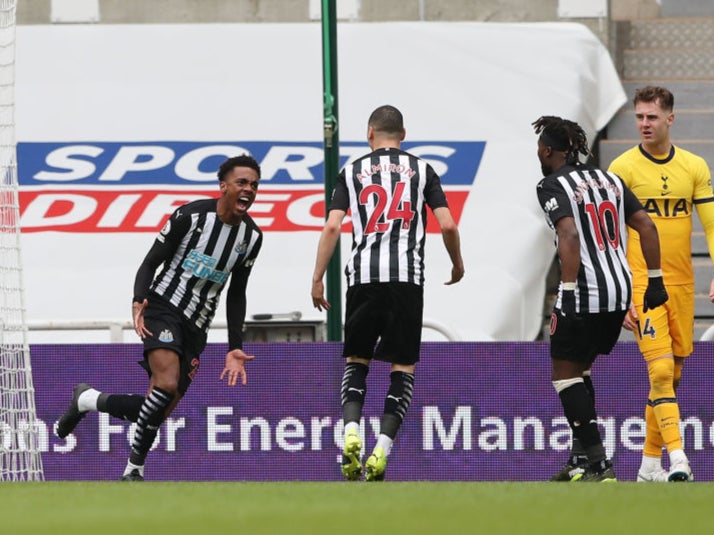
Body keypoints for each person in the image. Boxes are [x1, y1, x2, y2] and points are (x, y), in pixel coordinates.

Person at [55, 154, 264, 481]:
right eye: (242, 183)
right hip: (164, 306)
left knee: (159, 406)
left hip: (198, 325)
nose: (248, 190)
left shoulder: (251, 238)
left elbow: (237, 292)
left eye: (254, 185)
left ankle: (89, 400)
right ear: (223, 186)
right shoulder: (190, 217)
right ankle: (134, 470)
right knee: (165, 385)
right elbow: (151, 261)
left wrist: (234, 346)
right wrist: (139, 299)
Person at [311, 105, 465, 482]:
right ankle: (381, 449)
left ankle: (350, 432)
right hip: (406, 280)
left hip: (363, 277)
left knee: (356, 361)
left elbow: (332, 227)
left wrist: (317, 277)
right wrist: (457, 263)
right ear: (403, 134)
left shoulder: (351, 171)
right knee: (402, 367)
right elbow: (446, 224)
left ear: (369, 134)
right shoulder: (423, 170)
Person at [533, 115, 668, 482]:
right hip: (620, 289)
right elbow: (647, 226)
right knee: (581, 368)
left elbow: (570, 234)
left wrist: (571, 292)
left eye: (540, 150)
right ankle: (579, 460)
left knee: (564, 374)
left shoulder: (551, 184)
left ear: (547, 150)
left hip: (586, 290)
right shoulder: (612, 179)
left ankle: (599, 464)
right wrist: (654, 281)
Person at [608, 86, 714, 483]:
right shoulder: (622, 168)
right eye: (639, 117)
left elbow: (710, 223)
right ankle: (679, 459)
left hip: (682, 285)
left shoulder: (693, 167)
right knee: (661, 372)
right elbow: (608, 235)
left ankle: (650, 464)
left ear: (670, 118)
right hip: (642, 284)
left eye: (652, 117)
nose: (644, 124)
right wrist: (621, 293)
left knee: (674, 374)